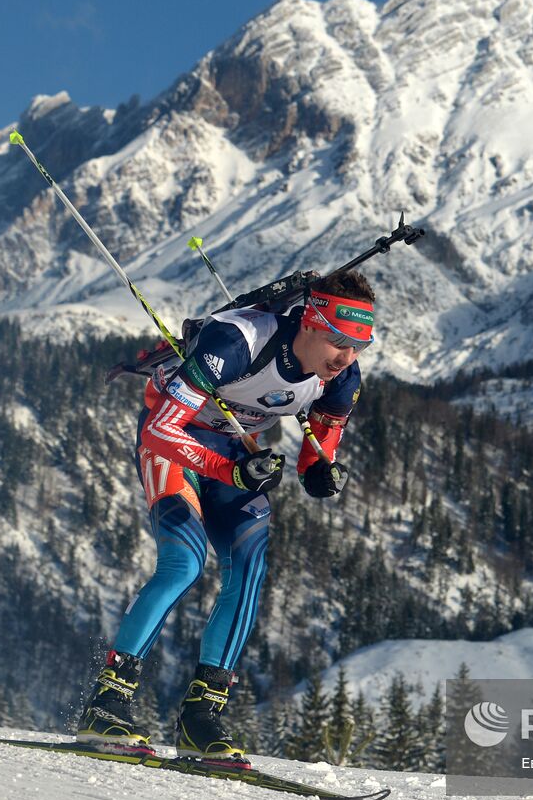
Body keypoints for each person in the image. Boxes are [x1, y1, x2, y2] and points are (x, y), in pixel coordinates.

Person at [75, 270, 375, 764]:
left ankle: (201, 717)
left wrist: (318, 471)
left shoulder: (341, 377)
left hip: (235, 455)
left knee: (249, 567)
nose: (346, 356)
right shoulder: (237, 341)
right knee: (184, 562)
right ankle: (108, 701)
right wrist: (231, 472)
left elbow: (321, 443)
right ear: (310, 322)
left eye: (360, 345)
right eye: (338, 341)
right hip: (177, 444)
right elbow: (158, 430)